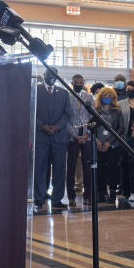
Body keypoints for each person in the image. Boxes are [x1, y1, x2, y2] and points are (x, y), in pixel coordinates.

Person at [34, 70, 72, 210]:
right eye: (48, 75)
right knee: (39, 168)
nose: (51, 78)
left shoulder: (63, 93)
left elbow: (67, 114)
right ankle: (39, 198)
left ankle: (57, 199)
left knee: (59, 170)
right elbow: (30, 110)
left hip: (59, 137)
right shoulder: (35, 90)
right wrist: (42, 126)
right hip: (41, 136)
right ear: (44, 76)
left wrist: (57, 127)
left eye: (53, 76)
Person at [66, 74, 93, 205]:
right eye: (76, 82)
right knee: (70, 167)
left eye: (81, 82)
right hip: (73, 136)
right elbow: (65, 117)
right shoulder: (67, 96)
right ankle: (71, 197)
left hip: (86, 135)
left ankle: (87, 195)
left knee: (87, 166)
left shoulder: (89, 97)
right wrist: (74, 135)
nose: (78, 84)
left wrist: (87, 133)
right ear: (72, 83)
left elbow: (92, 117)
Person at [94, 87, 125, 203]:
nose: (106, 97)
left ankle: (112, 192)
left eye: (109, 95)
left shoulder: (117, 110)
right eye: (104, 95)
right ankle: (101, 193)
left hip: (112, 145)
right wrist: (96, 140)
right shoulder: (95, 110)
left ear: (113, 97)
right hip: (98, 145)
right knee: (100, 169)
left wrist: (109, 142)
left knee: (113, 169)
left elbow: (121, 128)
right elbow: (90, 126)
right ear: (100, 97)